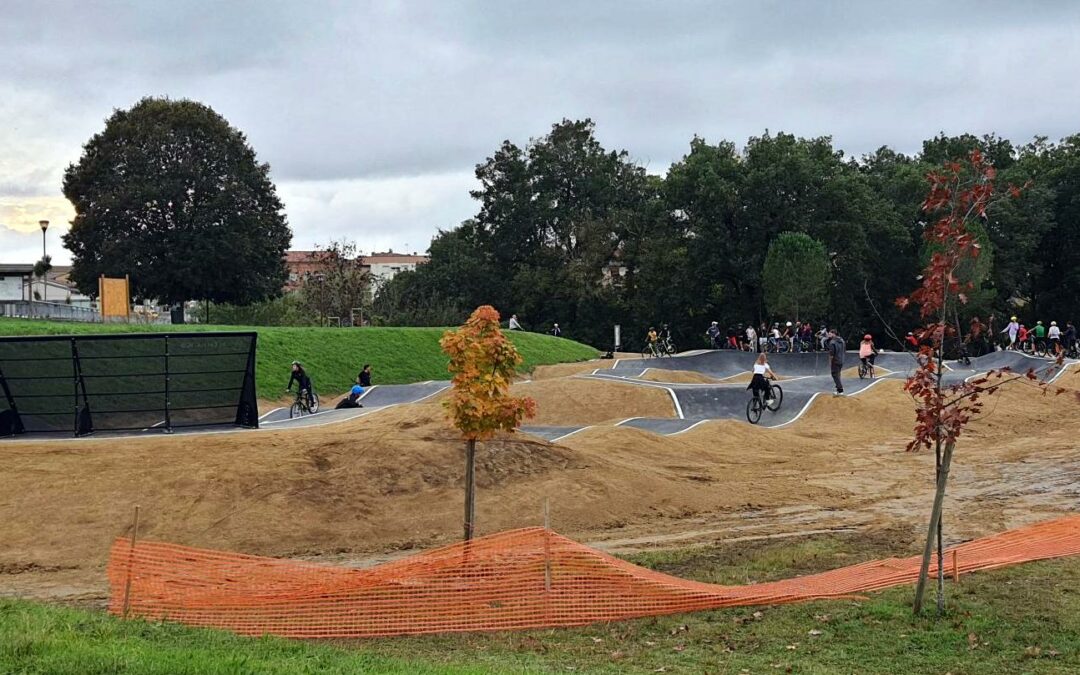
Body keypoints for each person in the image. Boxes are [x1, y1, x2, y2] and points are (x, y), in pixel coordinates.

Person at [826, 328, 845, 395]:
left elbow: (831, 354)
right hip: (841, 359)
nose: (828, 335)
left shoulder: (832, 342)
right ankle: (838, 390)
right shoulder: (842, 340)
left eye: (830, 334)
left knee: (834, 374)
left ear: (834, 334)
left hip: (835, 360)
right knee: (838, 374)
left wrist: (830, 362)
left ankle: (840, 390)